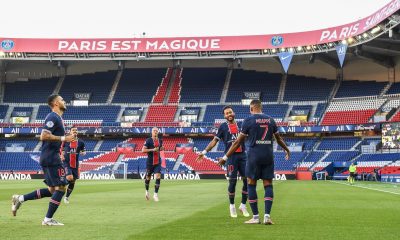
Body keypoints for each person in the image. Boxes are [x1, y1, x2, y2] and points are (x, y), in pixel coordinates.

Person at [218, 100, 290, 225]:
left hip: (253, 157)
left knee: (251, 184)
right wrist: (287, 149)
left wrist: (225, 157)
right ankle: (267, 216)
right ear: (261, 107)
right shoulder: (271, 120)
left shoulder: (248, 120)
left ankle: (256, 217)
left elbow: (237, 143)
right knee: (268, 184)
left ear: (251, 108)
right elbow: (278, 139)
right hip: (268, 155)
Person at [11, 94, 76, 226]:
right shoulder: (53, 116)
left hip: (50, 156)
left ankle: (20, 198)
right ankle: (47, 220)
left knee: (53, 190)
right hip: (51, 157)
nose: (65, 101)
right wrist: (64, 139)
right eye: (62, 100)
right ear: (56, 103)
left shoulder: (58, 118)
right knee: (62, 187)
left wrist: (66, 137)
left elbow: (54, 137)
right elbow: (44, 135)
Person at [196, 106, 249, 218]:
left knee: (247, 182)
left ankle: (243, 205)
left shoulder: (241, 125)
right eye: (226, 113)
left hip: (243, 156)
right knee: (232, 182)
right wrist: (204, 152)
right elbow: (214, 141)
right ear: (224, 116)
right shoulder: (223, 127)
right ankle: (232, 206)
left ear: (233, 113)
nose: (229, 114)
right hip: (231, 158)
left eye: (230, 112)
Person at [61, 127, 86, 204]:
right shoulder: (66, 140)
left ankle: (66, 197)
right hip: (66, 162)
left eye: (76, 130)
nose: (75, 131)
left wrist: (83, 153)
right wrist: (61, 155)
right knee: (69, 177)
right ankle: (59, 187)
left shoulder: (81, 142)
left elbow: (83, 151)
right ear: (70, 132)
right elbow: (61, 149)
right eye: (73, 130)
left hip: (75, 164)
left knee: (73, 181)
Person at [142, 127, 164, 202]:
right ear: (152, 132)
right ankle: (147, 192)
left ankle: (155, 194)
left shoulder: (160, 140)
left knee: (158, 176)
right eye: (154, 131)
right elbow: (143, 150)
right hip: (150, 163)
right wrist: (152, 149)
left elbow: (161, 148)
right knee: (148, 177)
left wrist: (161, 148)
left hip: (157, 162)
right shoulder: (148, 140)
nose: (155, 132)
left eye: (156, 131)